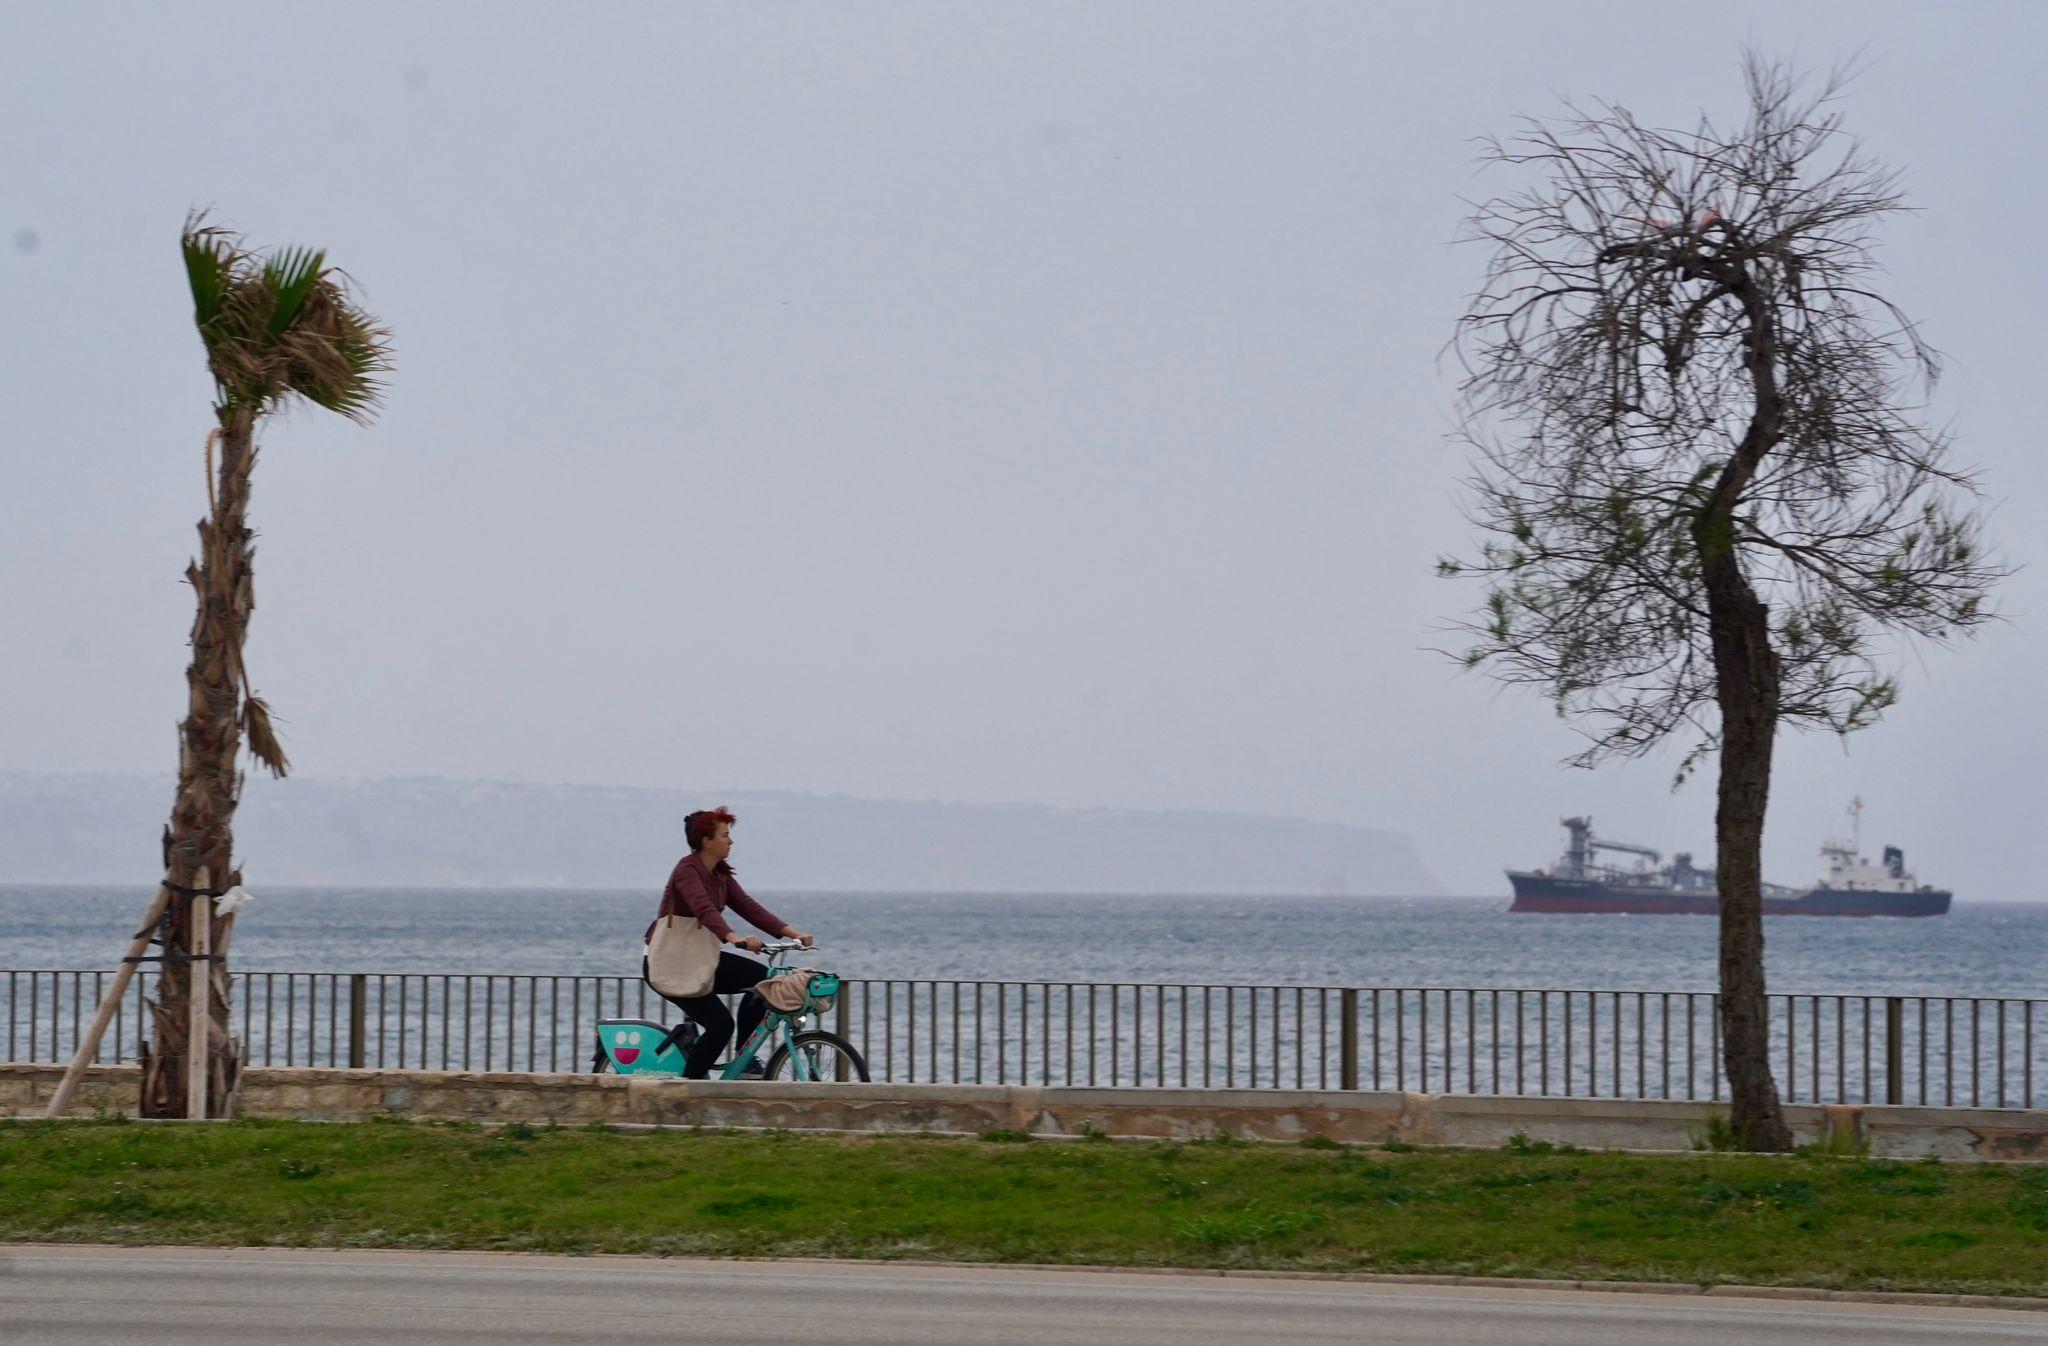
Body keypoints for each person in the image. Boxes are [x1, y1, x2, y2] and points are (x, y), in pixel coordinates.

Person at [644, 807, 812, 1078]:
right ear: (706, 840)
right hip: (670, 962)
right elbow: (703, 909)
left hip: (700, 957)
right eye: (724, 835)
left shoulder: (720, 874)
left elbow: (748, 906)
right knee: (720, 1025)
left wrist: (793, 933)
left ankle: (743, 1059)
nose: (730, 841)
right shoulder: (686, 871)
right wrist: (734, 938)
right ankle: (691, 1089)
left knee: (764, 982)